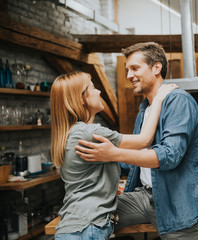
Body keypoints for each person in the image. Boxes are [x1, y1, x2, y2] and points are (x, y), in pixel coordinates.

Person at [75, 42, 198, 239]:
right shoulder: (146, 109)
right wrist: (101, 161)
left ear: (156, 68)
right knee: (90, 216)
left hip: (178, 201)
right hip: (143, 196)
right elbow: (139, 159)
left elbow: (169, 156)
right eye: (127, 70)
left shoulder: (178, 100)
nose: (129, 76)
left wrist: (114, 153)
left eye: (135, 68)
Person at [50, 71, 176, 239]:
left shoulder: (72, 133)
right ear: (81, 100)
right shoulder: (90, 133)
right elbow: (144, 140)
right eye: (93, 88)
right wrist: (158, 100)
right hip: (88, 229)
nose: (99, 92)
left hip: (74, 227)